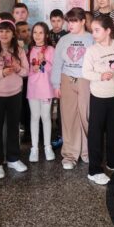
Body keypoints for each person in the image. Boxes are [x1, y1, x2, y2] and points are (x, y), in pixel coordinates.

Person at [82, 14, 114, 185]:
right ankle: (94, 170)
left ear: (108, 31)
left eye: (97, 30)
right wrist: (100, 76)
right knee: (96, 133)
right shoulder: (91, 50)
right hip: (99, 96)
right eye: (92, 30)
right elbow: (85, 72)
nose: (93, 33)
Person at [50, 7, 94, 170]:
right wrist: (56, 84)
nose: (70, 25)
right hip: (67, 79)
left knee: (86, 116)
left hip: (86, 80)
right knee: (69, 118)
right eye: (69, 21)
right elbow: (57, 64)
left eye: (74, 21)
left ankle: (87, 152)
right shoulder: (64, 40)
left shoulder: (92, 39)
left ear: (83, 21)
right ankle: (70, 155)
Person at [0, 20, 29, 179]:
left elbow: (26, 72)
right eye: (1, 31)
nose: (4, 34)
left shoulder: (19, 50)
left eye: (8, 31)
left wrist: (18, 69)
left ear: (13, 34)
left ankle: (13, 158)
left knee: (13, 127)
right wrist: (1, 73)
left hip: (15, 94)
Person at [27, 22, 56, 162]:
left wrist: (44, 61)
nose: (37, 36)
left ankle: (47, 146)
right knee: (34, 116)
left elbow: (53, 69)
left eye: (41, 33)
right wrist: (33, 69)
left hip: (46, 88)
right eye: (35, 32)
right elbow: (27, 69)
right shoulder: (30, 49)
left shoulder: (50, 49)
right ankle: (34, 148)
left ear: (46, 35)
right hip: (33, 87)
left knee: (45, 117)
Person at [48, 9, 67, 148]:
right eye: (53, 21)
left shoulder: (67, 35)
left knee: (61, 106)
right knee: (48, 105)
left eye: (59, 21)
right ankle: (48, 133)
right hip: (48, 73)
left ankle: (62, 134)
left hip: (63, 73)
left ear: (63, 21)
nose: (56, 24)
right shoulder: (47, 35)